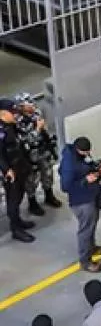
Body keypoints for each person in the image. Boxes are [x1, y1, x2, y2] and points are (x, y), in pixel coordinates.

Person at [57, 136, 101, 269]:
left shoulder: (81, 156)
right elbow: (65, 187)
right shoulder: (69, 164)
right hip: (81, 202)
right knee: (85, 230)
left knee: (92, 224)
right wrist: (85, 180)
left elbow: (89, 165)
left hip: (91, 195)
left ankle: (92, 247)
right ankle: (85, 261)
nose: (88, 154)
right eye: (85, 152)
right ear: (78, 150)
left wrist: (100, 168)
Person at [14, 93, 60, 216]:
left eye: (32, 101)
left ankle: (49, 196)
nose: (32, 104)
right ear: (21, 106)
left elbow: (46, 131)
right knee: (31, 180)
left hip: (43, 150)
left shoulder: (37, 113)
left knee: (48, 173)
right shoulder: (17, 121)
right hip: (30, 155)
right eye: (28, 103)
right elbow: (24, 140)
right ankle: (32, 203)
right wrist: (37, 129)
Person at [0, 99, 35, 242]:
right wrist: (6, 170)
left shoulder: (12, 125)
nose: (15, 114)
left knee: (20, 195)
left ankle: (18, 221)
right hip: (10, 171)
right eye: (12, 112)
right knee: (13, 200)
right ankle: (16, 229)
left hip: (20, 165)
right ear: (2, 113)